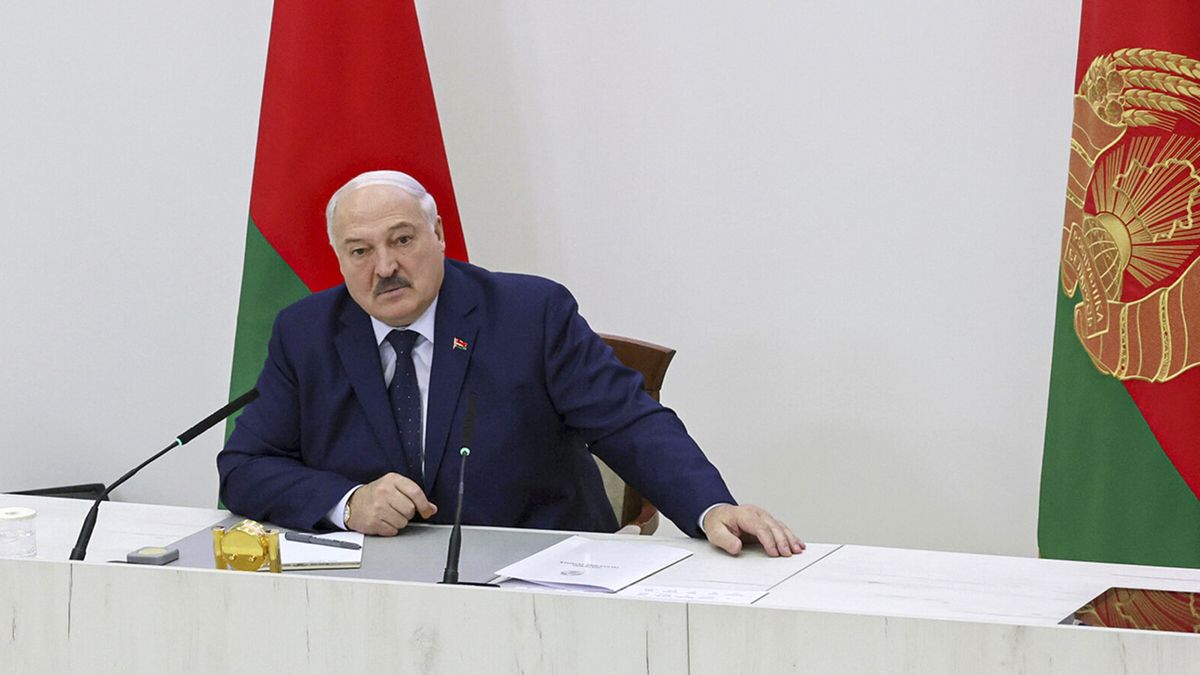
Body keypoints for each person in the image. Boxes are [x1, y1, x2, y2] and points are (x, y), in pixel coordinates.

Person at [218, 170, 803, 557]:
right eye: (360, 251)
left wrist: (709, 507)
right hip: (381, 585)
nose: (385, 267)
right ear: (339, 259)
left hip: (540, 574)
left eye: (402, 240)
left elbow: (628, 421)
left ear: (438, 234)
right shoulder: (307, 333)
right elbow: (245, 467)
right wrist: (349, 504)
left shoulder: (529, 313)